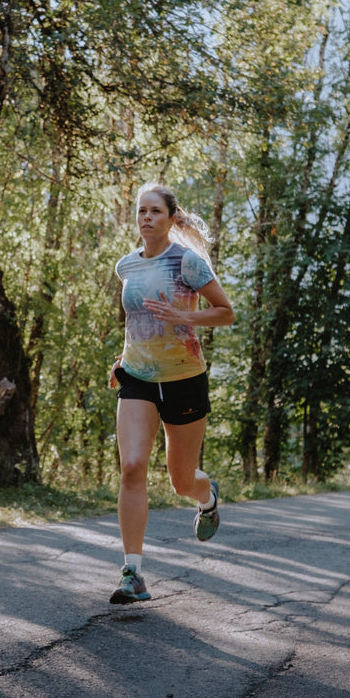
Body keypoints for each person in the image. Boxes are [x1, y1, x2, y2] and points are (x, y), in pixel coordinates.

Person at [106, 183, 235, 605]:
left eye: (155, 211)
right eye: (141, 211)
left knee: (181, 481)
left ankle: (207, 496)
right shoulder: (126, 265)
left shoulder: (187, 262)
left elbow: (226, 312)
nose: (146, 218)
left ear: (170, 217)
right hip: (137, 378)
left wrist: (184, 316)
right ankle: (133, 573)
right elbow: (136, 321)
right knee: (132, 467)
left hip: (184, 378)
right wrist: (123, 358)